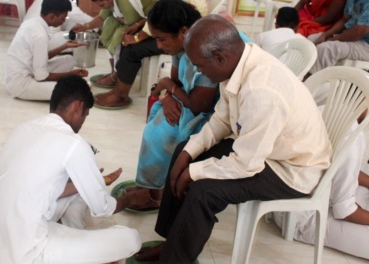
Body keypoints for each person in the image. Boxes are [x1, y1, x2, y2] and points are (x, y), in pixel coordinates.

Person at [134, 15, 332, 263]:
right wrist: (188, 154)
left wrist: (194, 172)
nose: (197, 71)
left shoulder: (263, 92)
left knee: (203, 191)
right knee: (184, 150)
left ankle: (175, 259)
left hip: (291, 169)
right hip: (263, 147)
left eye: (200, 66)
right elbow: (222, 119)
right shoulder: (238, 62)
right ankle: (171, 242)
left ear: (219, 58)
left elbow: (246, 163)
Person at [0, 75, 151, 264]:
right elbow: (103, 208)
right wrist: (129, 199)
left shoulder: (22, 129)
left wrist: (94, 182)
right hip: (29, 252)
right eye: (85, 115)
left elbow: (44, 188)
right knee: (131, 239)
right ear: (78, 107)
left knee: (78, 192)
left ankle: (73, 245)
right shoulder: (74, 144)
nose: (83, 121)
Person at [127, 0, 219, 210]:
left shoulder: (205, 47)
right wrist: (166, 95)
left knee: (163, 130)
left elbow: (199, 105)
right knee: (157, 120)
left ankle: (157, 192)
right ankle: (149, 186)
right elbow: (177, 82)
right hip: (193, 101)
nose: (159, 46)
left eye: (161, 39)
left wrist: (167, 86)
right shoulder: (183, 45)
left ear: (183, 32)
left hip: (216, 112)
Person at [274, 111, 369, 260]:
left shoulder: (327, 101)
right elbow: (345, 211)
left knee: (360, 172)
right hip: (301, 215)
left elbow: (341, 165)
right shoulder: (354, 135)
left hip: (282, 190)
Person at [73, 0, 165, 109]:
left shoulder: (129, 2)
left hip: (163, 30)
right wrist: (85, 26)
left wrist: (136, 37)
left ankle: (121, 94)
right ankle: (116, 80)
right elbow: (103, 16)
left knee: (129, 48)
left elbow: (155, 18)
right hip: (153, 26)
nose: (98, 4)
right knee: (111, 30)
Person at [5, 0, 88, 101]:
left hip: (30, 70)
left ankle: (48, 85)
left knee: (69, 60)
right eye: (62, 18)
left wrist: (64, 46)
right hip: (21, 84)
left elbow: (40, 58)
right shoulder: (40, 36)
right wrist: (71, 75)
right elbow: (41, 77)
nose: (63, 22)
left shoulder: (32, 22)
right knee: (67, 91)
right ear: (52, 16)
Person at [308, 0, 369, 75]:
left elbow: (359, 31)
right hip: (352, 37)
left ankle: (308, 82)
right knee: (311, 39)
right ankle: (298, 72)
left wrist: (332, 40)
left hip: (366, 45)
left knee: (327, 49)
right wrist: (325, 35)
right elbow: (345, 20)